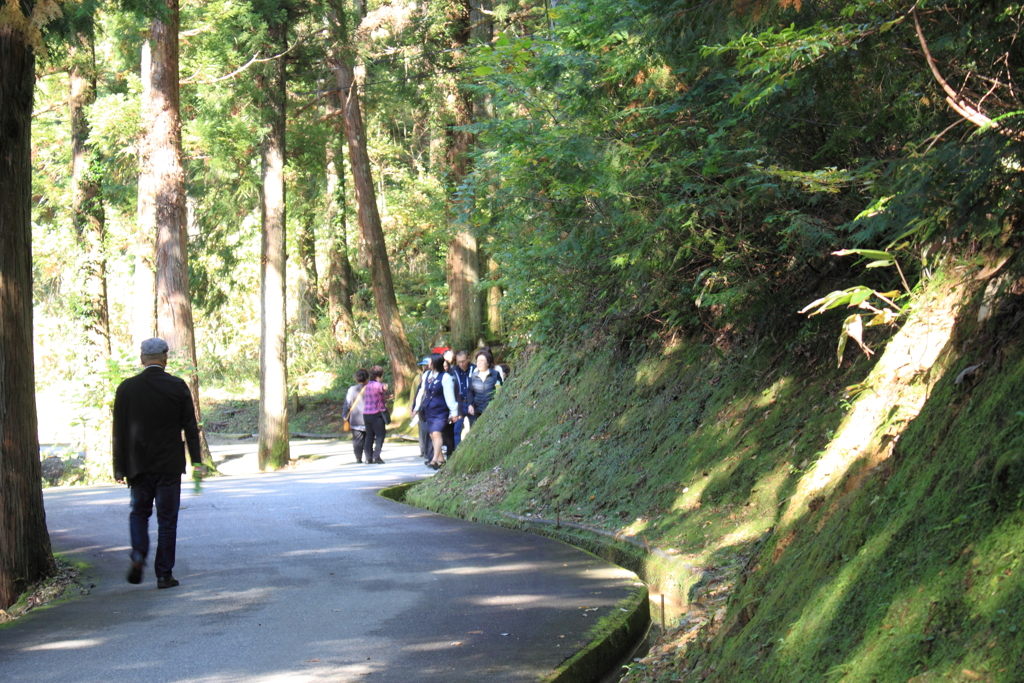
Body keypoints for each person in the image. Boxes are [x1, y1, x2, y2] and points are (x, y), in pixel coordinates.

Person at [112, 338, 206, 589]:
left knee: (139, 512)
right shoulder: (177, 386)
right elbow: (190, 428)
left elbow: (118, 431)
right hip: (169, 465)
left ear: (142, 358)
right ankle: (164, 574)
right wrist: (197, 462)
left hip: (138, 465)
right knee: (167, 519)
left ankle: (138, 553)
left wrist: (119, 468)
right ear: (165, 358)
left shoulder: (126, 388)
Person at [421, 353, 459, 469]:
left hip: (440, 410)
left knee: (437, 433)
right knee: (432, 435)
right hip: (429, 409)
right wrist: (416, 407)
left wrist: (454, 412)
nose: (428, 364)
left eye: (430, 361)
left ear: (435, 362)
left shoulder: (445, 377)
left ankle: (434, 459)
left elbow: (449, 396)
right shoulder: (426, 375)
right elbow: (421, 392)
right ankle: (441, 460)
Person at [467, 347, 503, 427]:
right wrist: (470, 405)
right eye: (477, 361)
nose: (479, 363)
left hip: (493, 409)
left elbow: (500, 389)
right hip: (478, 410)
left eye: (482, 360)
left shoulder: (495, 374)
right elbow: (470, 392)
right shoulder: (473, 377)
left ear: (488, 363)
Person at [362, 365, 389, 464]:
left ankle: (368, 457)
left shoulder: (368, 385)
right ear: (379, 375)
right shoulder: (377, 384)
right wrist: (385, 386)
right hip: (376, 413)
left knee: (369, 435)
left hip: (366, 413)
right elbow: (383, 388)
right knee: (380, 435)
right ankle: (376, 456)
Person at [343, 369, 369, 463]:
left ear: (356, 379)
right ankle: (368, 457)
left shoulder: (351, 389)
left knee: (357, 439)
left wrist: (345, 415)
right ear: (367, 378)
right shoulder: (371, 388)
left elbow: (348, 403)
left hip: (355, 419)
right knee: (368, 438)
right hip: (369, 417)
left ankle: (358, 458)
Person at [449, 350, 474, 451]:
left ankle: (473, 450)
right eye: (459, 362)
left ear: (469, 358)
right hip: (459, 404)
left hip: (472, 403)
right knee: (457, 430)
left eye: (463, 361)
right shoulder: (453, 371)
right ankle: (457, 452)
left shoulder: (474, 369)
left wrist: (471, 403)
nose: (461, 364)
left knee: (475, 428)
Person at [410, 357, 433, 463]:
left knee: (430, 430)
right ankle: (423, 450)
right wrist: (413, 407)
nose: (425, 367)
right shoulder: (418, 378)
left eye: (426, 365)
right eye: (423, 365)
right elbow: (415, 394)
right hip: (421, 408)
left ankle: (429, 451)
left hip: (431, 407)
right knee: (423, 430)